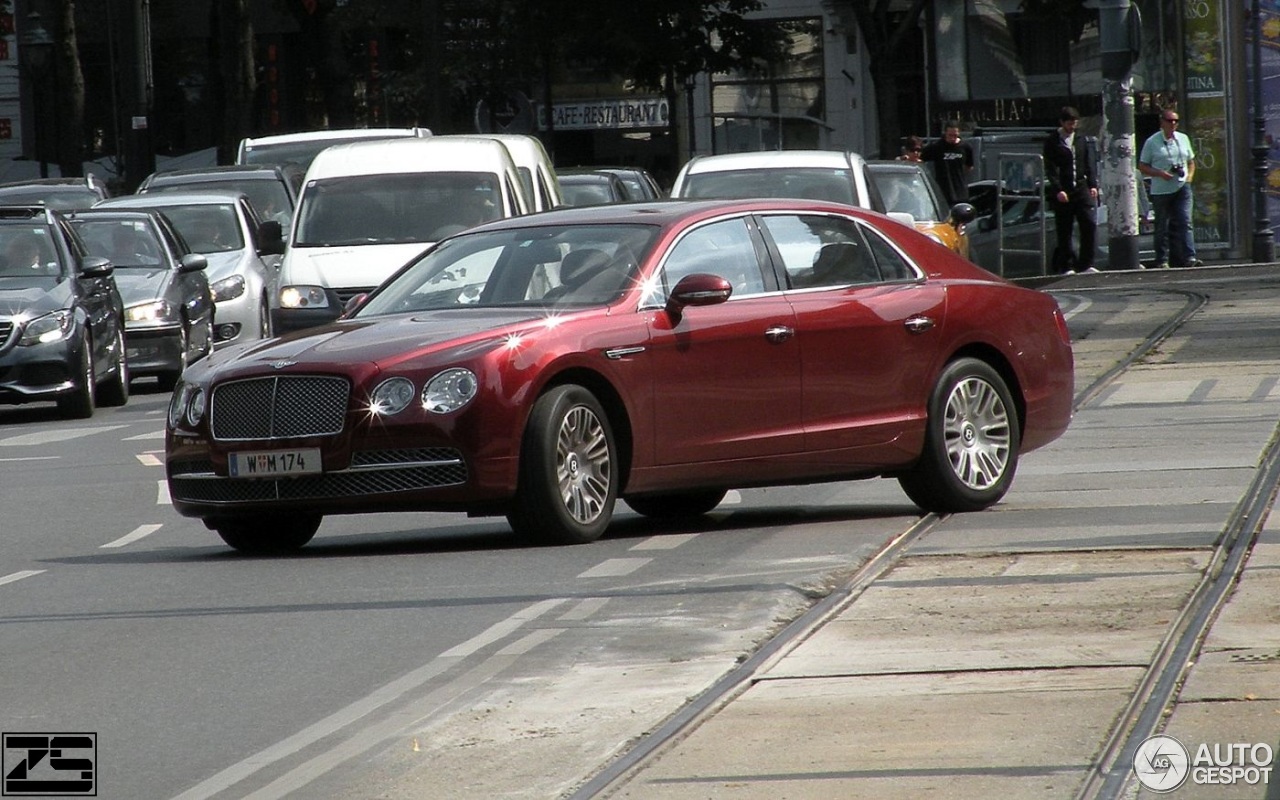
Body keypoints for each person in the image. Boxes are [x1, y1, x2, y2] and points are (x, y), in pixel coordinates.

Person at [1138, 108, 1202, 269]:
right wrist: (1159, 173)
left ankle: (1190, 257)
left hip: (1182, 186)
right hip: (1161, 189)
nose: (1173, 124)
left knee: (1185, 221)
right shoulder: (1152, 142)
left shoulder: (1183, 138)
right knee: (1162, 225)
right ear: (1162, 122)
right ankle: (1162, 259)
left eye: (1175, 121)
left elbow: (1191, 161)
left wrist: (1189, 177)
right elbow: (1142, 166)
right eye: (1169, 120)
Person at [1043, 106, 1099, 274]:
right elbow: (1050, 168)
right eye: (1069, 123)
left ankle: (1086, 263)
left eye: (1075, 122)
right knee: (1065, 228)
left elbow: (1089, 162)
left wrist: (1092, 184)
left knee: (1088, 223)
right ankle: (1066, 265)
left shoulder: (1081, 139)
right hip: (1064, 188)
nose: (1072, 126)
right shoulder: (1053, 141)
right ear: (1062, 122)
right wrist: (1058, 189)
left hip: (1081, 186)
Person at [920, 120, 974, 205]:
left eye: (955, 135)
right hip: (943, 191)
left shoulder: (966, 147)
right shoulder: (937, 146)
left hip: (960, 191)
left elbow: (969, 166)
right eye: (950, 135)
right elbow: (920, 158)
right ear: (945, 133)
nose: (952, 138)